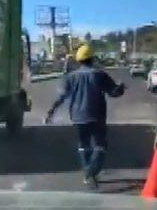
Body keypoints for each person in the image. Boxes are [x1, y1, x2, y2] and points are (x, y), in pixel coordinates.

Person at [44, 44, 125, 190]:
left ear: (78, 60)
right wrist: (121, 88)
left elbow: (62, 96)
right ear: (92, 59)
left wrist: (51, 111)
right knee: (100, 145)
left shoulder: (71, 77)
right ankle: (90, 173)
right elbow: (114, 93)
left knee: (84, 144)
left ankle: (88, 172)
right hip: (97, 116)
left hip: (77, 117)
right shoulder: (99, 74)